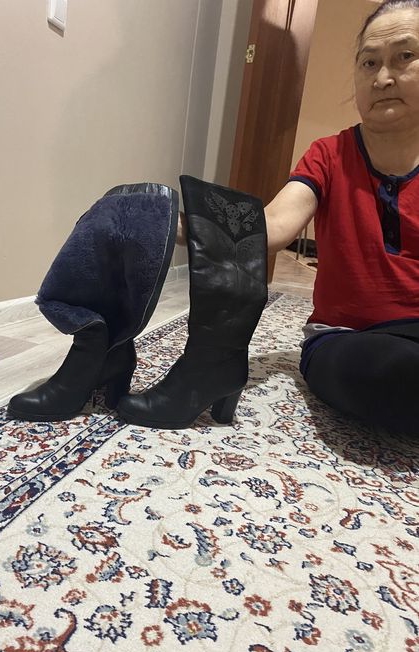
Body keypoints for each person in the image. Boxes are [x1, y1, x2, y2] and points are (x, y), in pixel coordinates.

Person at [178, 0, 419, 437]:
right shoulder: (329, 155)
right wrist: (175, 225)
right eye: (369, 62)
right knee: (389, 375)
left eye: (405, 56)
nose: (383, 78)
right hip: (347, 339)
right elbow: (272, 225)